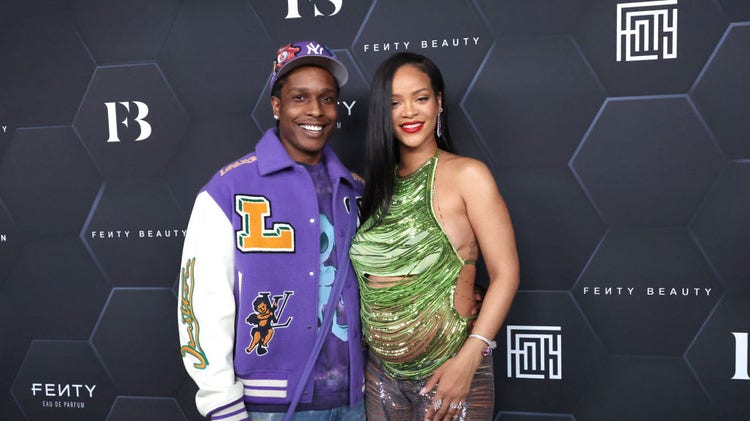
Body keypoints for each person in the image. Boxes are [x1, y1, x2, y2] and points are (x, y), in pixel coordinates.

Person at [177, 40, 366, 421]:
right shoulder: (228, 189)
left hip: (356, 402)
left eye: (327, 98)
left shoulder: (356, 189)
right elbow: (201, 304)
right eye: (300, 97)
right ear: (277, 106)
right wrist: (222, 404)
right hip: (269, 408)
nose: (316, 110)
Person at [349, 52, 519, 421]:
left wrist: (469, 359)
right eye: (394, 103)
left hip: (450, 373)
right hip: (380, 377)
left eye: (421, 98)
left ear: (439, 102)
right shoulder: (376, 186)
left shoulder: (468, 175)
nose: (409, 112)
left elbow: (506, 274)